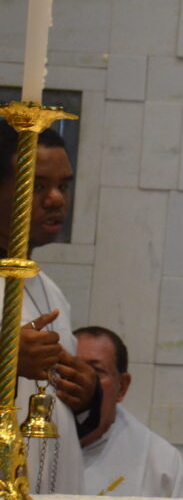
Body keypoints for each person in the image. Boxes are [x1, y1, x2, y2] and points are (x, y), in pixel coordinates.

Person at [0, 123, 100, 493]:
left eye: (64, 186)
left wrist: (87, 395)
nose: (57, 199)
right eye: (38, 186)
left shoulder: (51, 292)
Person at [74, 325, 183, 497]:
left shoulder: (160, 462)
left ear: (122, 387)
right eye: (72, 368)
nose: (81, 380)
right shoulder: (30, 439)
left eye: (96, 371)